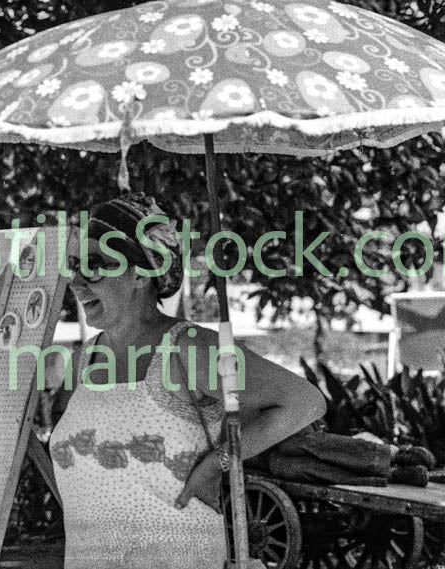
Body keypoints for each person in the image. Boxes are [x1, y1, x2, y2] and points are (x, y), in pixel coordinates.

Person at [47, 192, 327, 569]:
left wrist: (218, 463)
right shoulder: (84, 359)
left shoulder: (187, 350)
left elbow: (303, 402)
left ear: (140, 273)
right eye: (74, 266)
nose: (78, 282)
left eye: (94, 266)